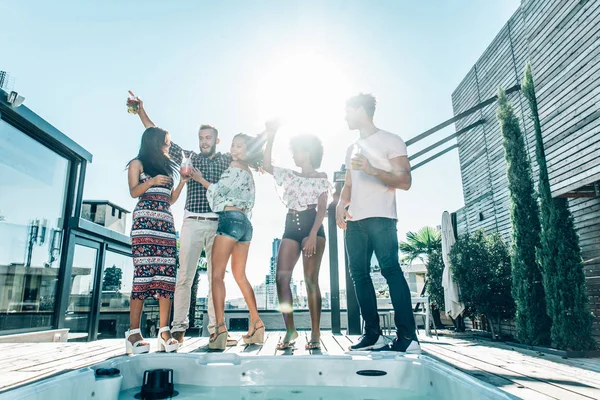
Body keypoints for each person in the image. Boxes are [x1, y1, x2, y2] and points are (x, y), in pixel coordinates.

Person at [129, 92, 236, 346]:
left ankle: (216, 329)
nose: (204, 142)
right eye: (201, 138)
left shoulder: (225, 160)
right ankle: (177, 329)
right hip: (192, 221)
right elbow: (157, 137)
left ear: (217, 139)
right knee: (184, 276)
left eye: (209, 138)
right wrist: (142, 111)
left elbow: (245, 155)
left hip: (218, 223)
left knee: (215, 279)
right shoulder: (189, 158)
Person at [336, 93, 420, 354]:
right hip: (355, 221)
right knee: (358, 276)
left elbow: (404, 181)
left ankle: (408, 338)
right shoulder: (351, 148)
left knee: (391, 270)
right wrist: (341, 204)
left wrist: (374, 170)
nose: (345, 116)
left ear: (361, 110)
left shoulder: (391, 140)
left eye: (348, 111)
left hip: (382, 218)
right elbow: (349, 185)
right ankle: (373, 336)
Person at [192, 133, 266, 350]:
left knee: (216, 275)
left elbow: (217, 193)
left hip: (229, 219)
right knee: (240, 275)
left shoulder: (233, 167)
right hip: (246, 225)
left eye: (240, 146)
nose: (234, 150)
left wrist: (200, 179)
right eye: (233, 145)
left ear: (248, 150)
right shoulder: (249, 173)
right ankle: (257, 324)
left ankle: (220, 330)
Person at [262, 122, 330, 350]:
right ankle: (290, 331)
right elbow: (266, 165)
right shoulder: (290, 175)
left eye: (297, 151)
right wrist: (271, 136)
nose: (294, 155)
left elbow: (322, 208)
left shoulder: (321, 176)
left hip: (313, 225)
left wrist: (312, 235)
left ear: (308, 151)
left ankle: (316, 333)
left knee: (311, 281)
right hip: (291, 225)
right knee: (281, 278)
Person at [125, 127, 189, 354]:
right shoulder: (137, 164)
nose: (168, 146)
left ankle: (164, 332)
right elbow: (134, 192)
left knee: (166, 277)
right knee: (143, 275)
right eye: (166, 142)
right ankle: (133, 333)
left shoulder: (166, 167)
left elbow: (169, 199)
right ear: (154, 143)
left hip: (165, 225)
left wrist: (181, 182)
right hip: (144, 224)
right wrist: (151, 182)